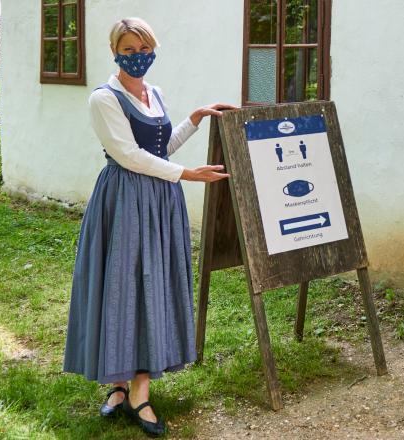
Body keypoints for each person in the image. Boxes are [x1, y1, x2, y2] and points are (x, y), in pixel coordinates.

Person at [62, 17, 236, 437]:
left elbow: (159, 147)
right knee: (122, 285)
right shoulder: (104, 98)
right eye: (128, 51)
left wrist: (193, 120)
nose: (138, 58)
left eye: (144, 50)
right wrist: (187, 175)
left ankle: (140, 386)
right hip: (124, 200)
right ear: (114, 52)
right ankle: (118, 384)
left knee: (151, 285)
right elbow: (128, 155)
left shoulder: (153, 93)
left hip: (158, 201)